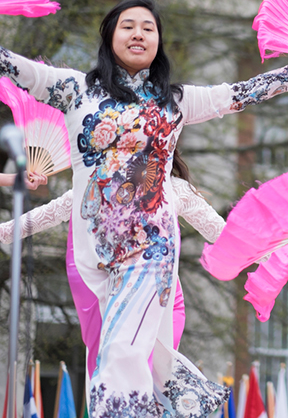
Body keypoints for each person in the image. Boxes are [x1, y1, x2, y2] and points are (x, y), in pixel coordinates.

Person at [0, 0, 288, 417]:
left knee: (123, 351)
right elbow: (17, 67)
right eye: (128, 25)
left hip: (152, 249)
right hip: (94, 253)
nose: (139, 33)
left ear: (159, 43)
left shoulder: (174, 102)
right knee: (113, 351)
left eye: (149, 27)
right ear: (109, 37)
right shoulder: (74, 90)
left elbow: (238, 93)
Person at [0, 150, 224, 378]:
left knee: (156, 379)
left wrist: (261, 253)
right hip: (115, 297)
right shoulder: (100, 186)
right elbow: (47, 214)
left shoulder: (174, 189)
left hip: (161, 299)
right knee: (114, 379)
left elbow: (222, 234)